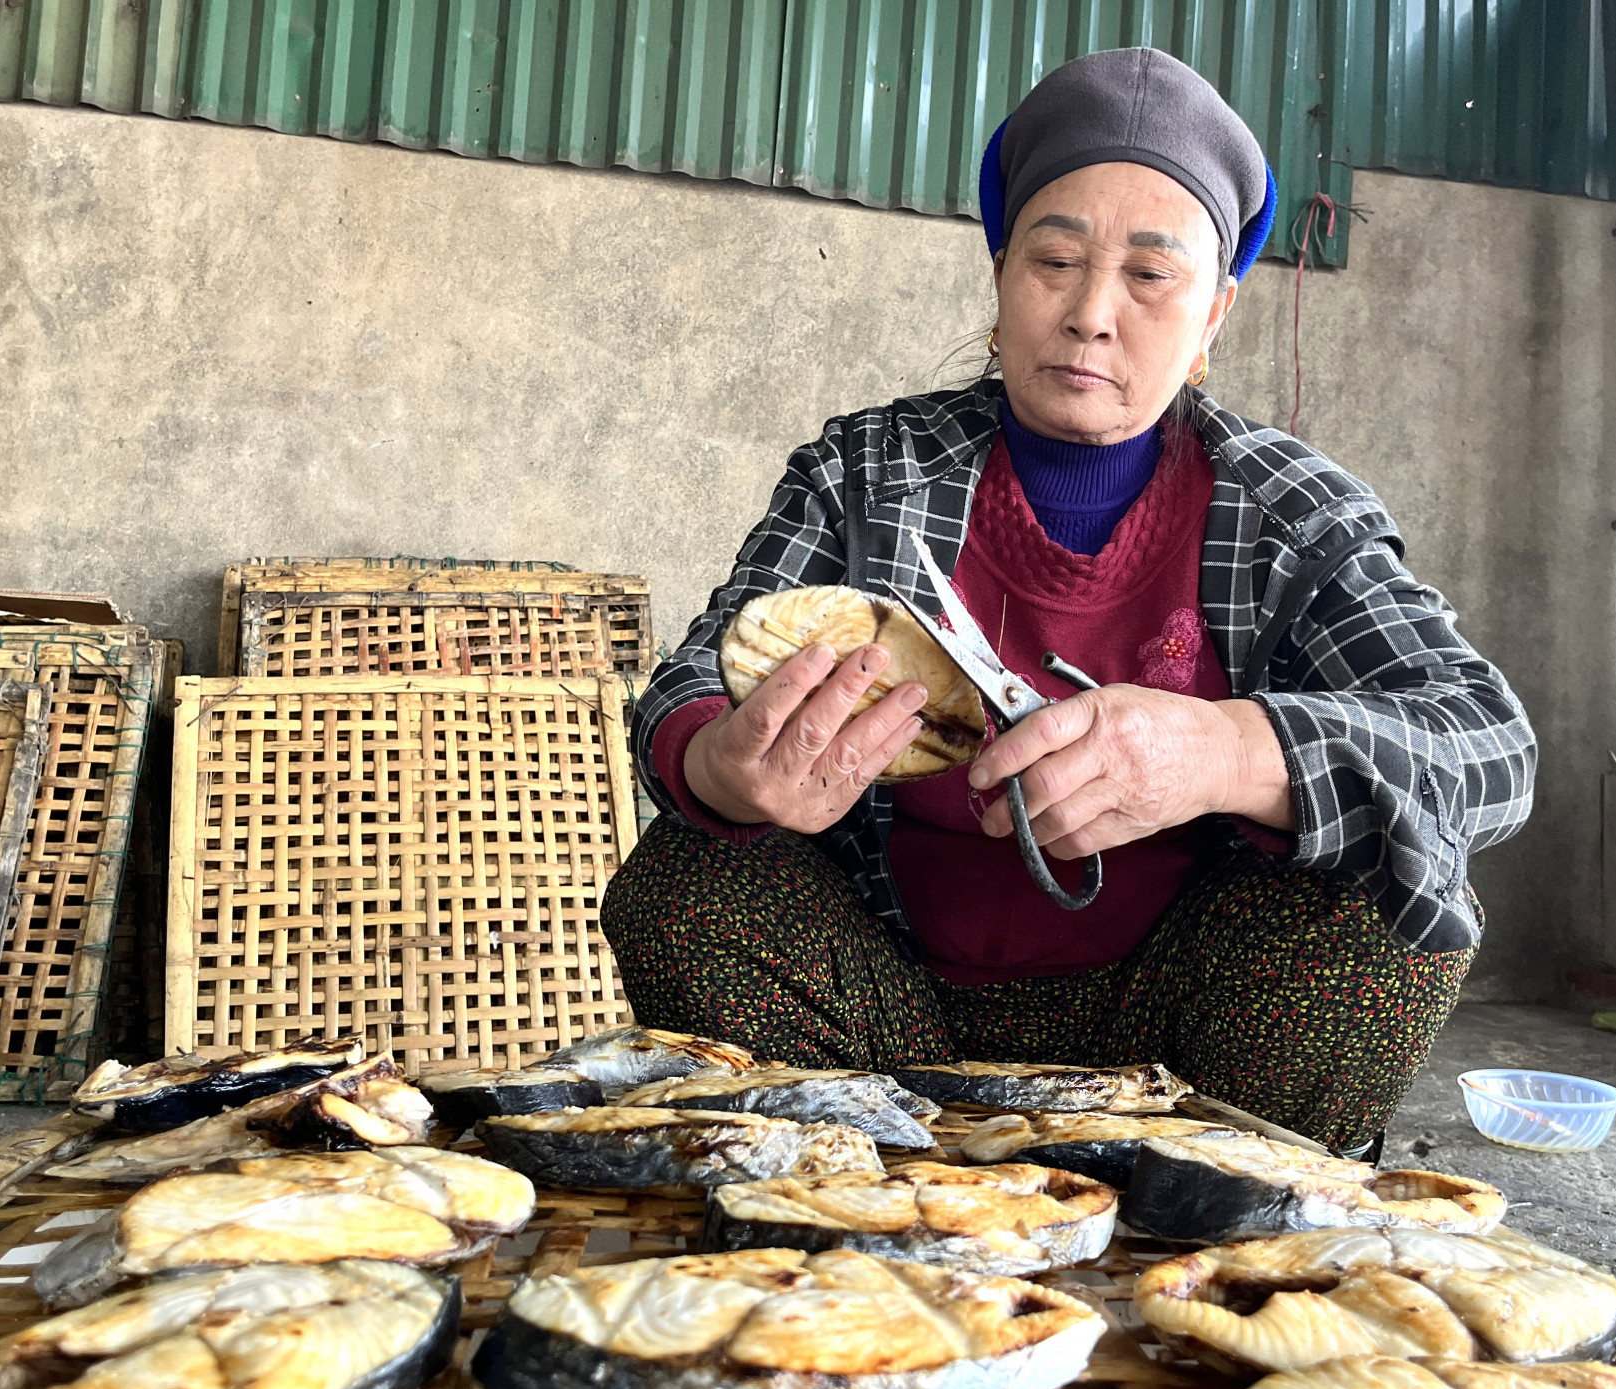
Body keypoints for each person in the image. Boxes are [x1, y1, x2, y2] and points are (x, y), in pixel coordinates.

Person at [601, 47, 1536, 1155]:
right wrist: (724, 764)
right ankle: (848, 1182)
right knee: (685, 879)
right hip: (880, 1017)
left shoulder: (1289, 509)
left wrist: (1226, 752)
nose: (1091, 311)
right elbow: (692, 679)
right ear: (1001, 277)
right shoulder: (868, 470)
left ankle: (1222, 1219)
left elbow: (1484, 745)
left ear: (1214, 314)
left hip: (1184, 1028)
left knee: (1393, 889)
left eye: (1150, 275)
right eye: (1053, 257)